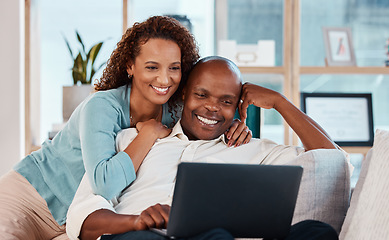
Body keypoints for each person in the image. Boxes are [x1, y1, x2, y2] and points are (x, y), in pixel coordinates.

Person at [0, 17, 250, 240]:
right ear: (130, 66)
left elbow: (208, 113)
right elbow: (105, 184)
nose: (165, 79)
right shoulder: (102, 106)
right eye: (152, 67)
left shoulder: (173, 108)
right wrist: (149, 134)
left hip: (74, 219)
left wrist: (237, 124)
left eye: (174, 68)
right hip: (30, 199)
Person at [66, 56, 345, 240]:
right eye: (202, 95)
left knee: (316, 232)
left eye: (226, 101)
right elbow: (83, 217)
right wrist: (136, 220)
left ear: (238, 106)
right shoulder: (133, 140)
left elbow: (332, 161)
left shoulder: (254, 149)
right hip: (142, 235)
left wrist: (281, 103)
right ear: (184, 92)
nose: (212, 107)